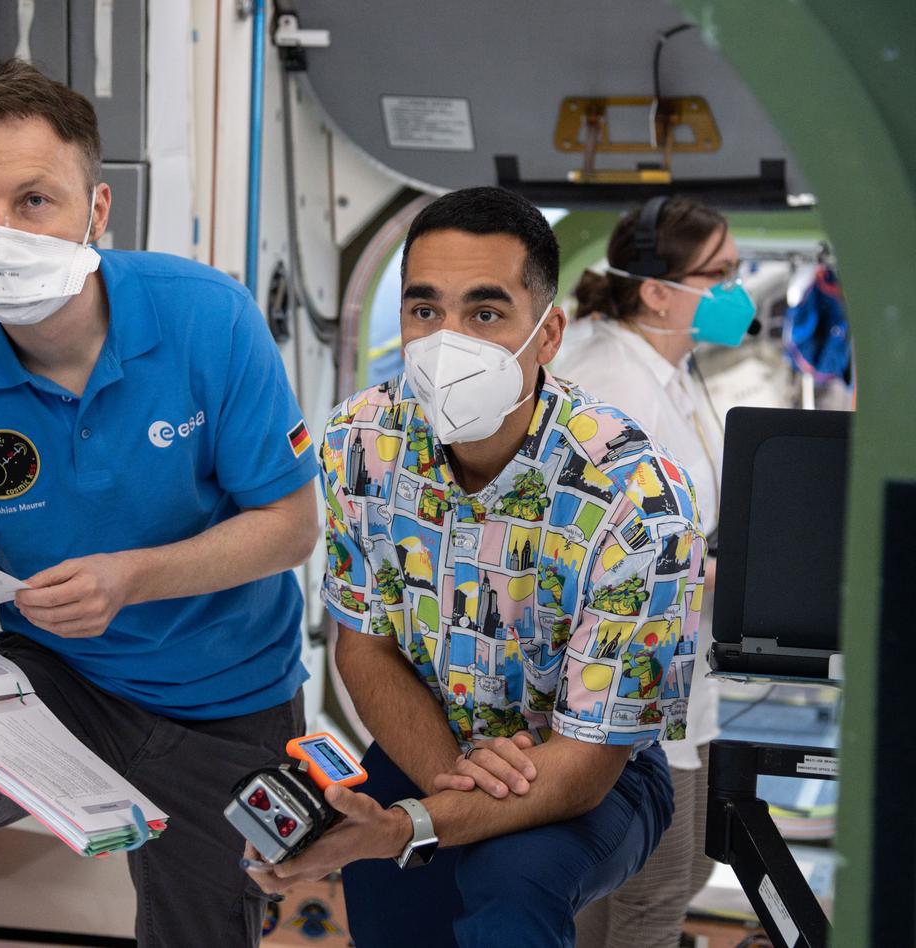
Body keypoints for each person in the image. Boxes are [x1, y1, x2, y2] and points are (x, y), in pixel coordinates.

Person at [0, 60, 320, 948]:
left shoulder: (210, 320)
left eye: (34, 200)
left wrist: (132, 579)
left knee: (204, 931)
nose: (0, 231)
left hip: (230, 695)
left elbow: (292, 527)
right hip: (57, 682)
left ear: (97, 210)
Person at [246, 186, 708, 948]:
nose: (446, 340)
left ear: (549, 332)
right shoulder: (363, 444)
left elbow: (590, 761)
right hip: (425, 735)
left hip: (593, 764)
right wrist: (449, 790)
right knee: (384, 886)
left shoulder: (636, 497)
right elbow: (365, 646)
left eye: (486, 314)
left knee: (509, 879)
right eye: (424, 311)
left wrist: (411, 826)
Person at [554, 196, 748, 948]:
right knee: (657, 886)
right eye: (720, 273)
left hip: (675, 668)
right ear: (658, 289)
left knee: (687, 867)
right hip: (622, 678)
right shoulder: (614, 383)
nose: (736, 289)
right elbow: (594, 547)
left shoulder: (666, 366)